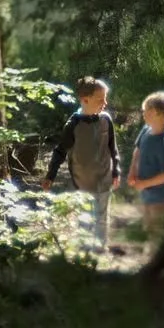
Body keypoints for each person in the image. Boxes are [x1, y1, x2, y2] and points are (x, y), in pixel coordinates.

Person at [40, 77, 121, 251]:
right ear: (85, 100)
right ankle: (84, 251)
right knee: (85, 217)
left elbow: (112, 148)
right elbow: (60, 151)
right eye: (100, 99)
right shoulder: (73, 124)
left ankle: (100, 249)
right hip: (82, 182)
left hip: (104, 179)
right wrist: (50, 176)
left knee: (101, 217)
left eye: (105, 98)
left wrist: (116, 171)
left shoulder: (106, 120)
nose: (105, 103)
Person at [127, 91, 164, 245]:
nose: (143, 113)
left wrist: (144, 183)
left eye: (147, 110)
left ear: (160, 115)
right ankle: (155, 251)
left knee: (159, 229)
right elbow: (138, 150)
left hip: (162, 195)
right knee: (149, 226)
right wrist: (132, 171)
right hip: (147, 192)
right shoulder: (146, 130)